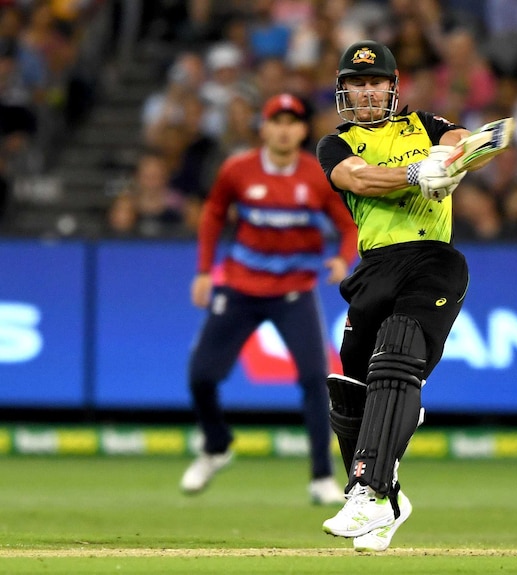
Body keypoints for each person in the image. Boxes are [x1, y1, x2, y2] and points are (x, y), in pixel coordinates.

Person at [315, 40, 500, 552]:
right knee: (350, 389)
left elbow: (468, 140)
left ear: (392, 87)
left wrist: (450, 160)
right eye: (357, 83)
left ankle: (371, 492)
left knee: (396, 358)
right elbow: (358, 179)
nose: (367, 92)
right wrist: (417, 175)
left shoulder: (426, 125)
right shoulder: (336, 143)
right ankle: (388, 496)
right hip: (374, 268)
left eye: (376, 82)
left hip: (431, 262)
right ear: (344, 89)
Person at [180, 93, 358, 506]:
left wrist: (341, 259)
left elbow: (347, 224)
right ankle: (216, 446)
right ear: (263, 127)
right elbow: (212, 215)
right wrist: (205, 272)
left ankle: (321, 478)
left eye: (292, 122)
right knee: (201, 376)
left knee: (317, 380)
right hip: (240, 287)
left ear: (301, 130)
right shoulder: (237, 170)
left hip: (294, 292)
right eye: (275, 121)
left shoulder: (317, 177)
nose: (283, 129)